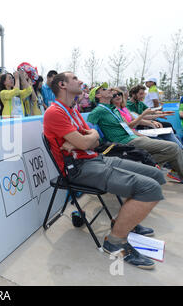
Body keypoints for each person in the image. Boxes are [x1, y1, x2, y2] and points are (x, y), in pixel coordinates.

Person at [44, 71, 166, 270]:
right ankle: (115, 242)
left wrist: (87, 137)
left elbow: (94, 139)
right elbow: (84, 143)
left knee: (156, 174)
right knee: (150, 189)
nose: (81, 81)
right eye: (75, 78)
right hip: (79, 168)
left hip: (96, 158)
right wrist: (85, 140)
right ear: (63, 85)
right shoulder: (55, 112)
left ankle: (123, 221)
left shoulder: (71, 109)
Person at [88, 83, 183, 192]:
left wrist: (144, 129)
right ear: (98, 96)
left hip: (133, 137)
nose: (109, 90)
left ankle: (142, 166)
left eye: (119, 94)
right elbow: (88, 127)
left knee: (172, 150)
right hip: (125, 142)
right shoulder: (98, 111)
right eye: (104, 89)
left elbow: (128, 126)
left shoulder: (113, 109)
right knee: (173, 147)